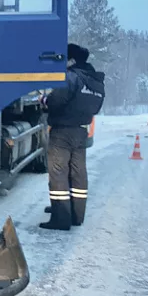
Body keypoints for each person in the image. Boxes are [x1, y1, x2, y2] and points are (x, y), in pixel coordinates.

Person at [39, 43, 105, 231]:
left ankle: (61, 218)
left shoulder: (72, 77)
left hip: (63, 131)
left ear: (73, 60)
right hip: (81, 131)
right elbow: (97, 108)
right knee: (78, 172)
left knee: (58, 172)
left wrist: (44, 100)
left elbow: (56, 100)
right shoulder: (96, 82)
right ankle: (76, 214)